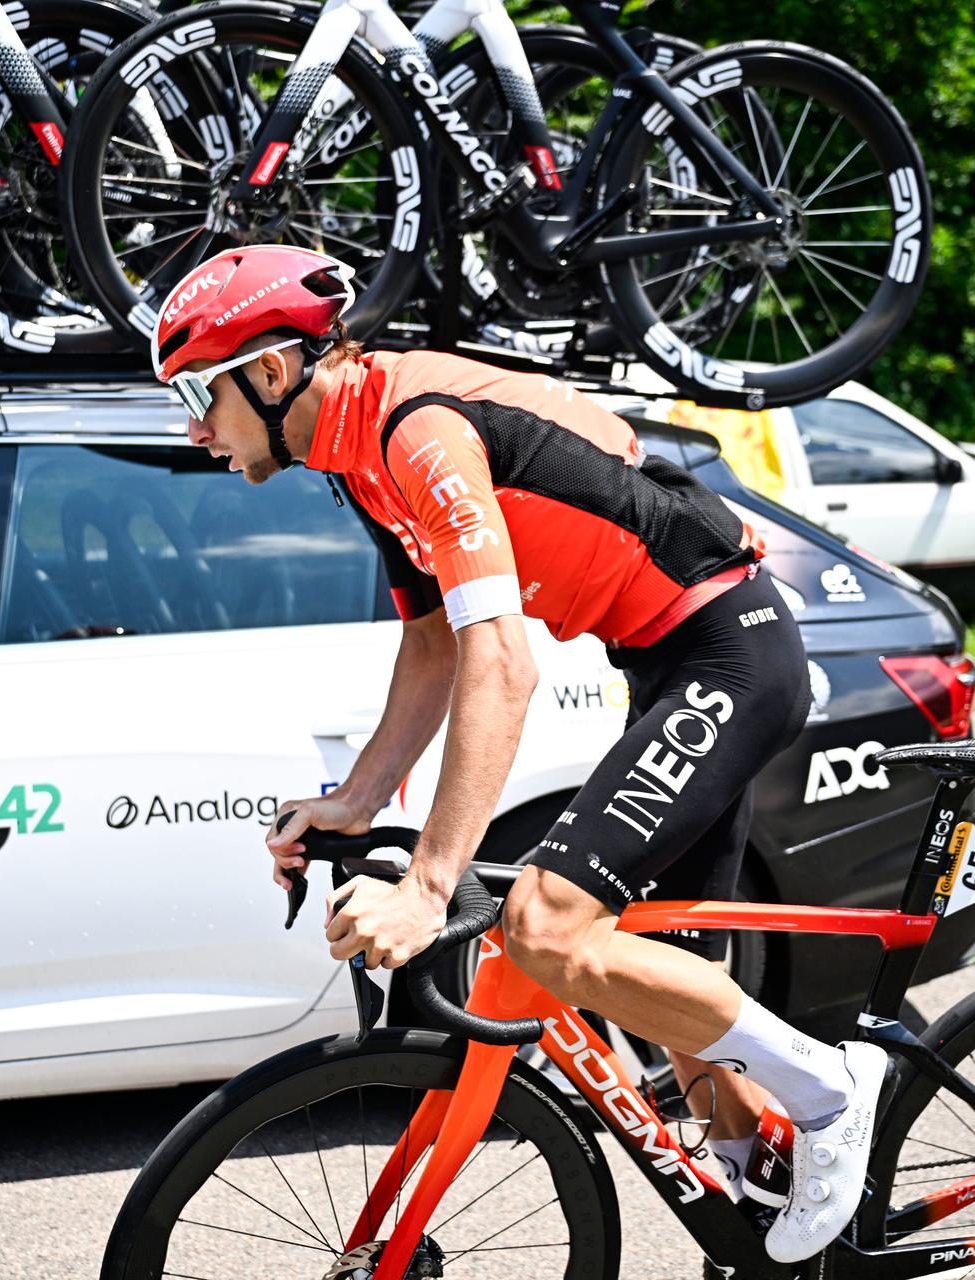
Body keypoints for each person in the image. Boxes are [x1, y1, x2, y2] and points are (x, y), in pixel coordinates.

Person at [154, 245, 883, 1264]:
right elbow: (432, 641)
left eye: (198, 393)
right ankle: (782, 1205)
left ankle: (832, 1088)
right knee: (676, 1012)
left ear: (272, 372)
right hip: (664, 663)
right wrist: (357, 799)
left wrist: (429, 884)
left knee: (545, 922)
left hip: (729, 649)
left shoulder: (417, 431)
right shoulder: (354, 455)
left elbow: (502, 662)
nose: (194, 429)